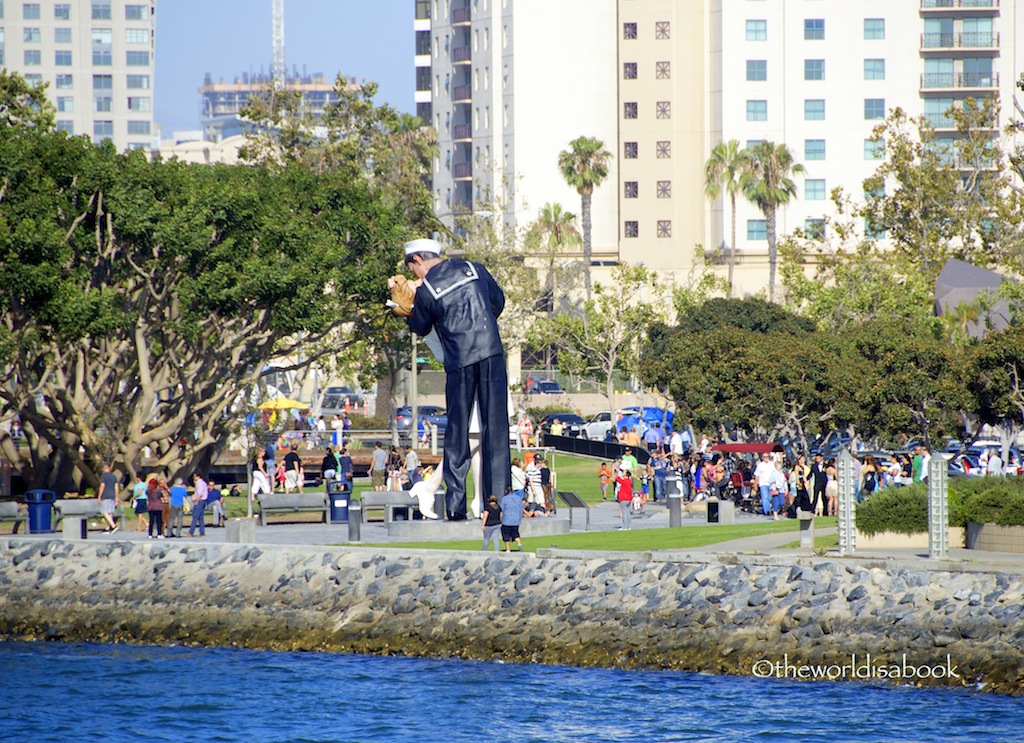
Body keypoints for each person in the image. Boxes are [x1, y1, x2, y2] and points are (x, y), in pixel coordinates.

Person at [392, 238, 510, 520]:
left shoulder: (429, 288)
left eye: (412, 268)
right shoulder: (474, 268)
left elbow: (419, 325)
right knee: (496, 429)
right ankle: (499, 503)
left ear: (418, 260)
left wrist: (407, 309)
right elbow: (498, 302)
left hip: (460, 362)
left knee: (457, 434)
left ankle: (456, 506)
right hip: (492, 352)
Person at [499, 487, 525, 552]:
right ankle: (519, 544)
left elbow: (502, 509)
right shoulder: (518, 498)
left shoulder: (504, 499)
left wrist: (500, 518)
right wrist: (520, 518)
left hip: (506, 520)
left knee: (506, 535)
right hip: (516, 520)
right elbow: (522, 509)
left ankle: (508, 549)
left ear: (506, 491)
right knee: (515, 534)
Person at [96, 463, 120, 534]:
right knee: (110, 512)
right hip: (112, 495)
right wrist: (116, 497)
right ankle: (108, 528)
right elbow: (116, 487)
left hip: (105, 495)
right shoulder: (114, 476)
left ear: (103, 469)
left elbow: (102, 486)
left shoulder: (104, 476)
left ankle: (114, 526)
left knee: (105, 512)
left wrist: (99, 496)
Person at [753, 453, 776, 517]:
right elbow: (757, 475)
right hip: (763, 483)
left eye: (767, 456)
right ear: (762, 458)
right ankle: (767, 511)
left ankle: (769, 509)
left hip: (772, 483)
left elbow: (775, 473)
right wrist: (755, 484)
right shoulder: (760, 465)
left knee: (770, 498)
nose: (766, 458)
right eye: (764, 457)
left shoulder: (772, 464)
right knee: (765, 497)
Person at [189, 473, 208, 538]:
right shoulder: (204, 483)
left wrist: (197, 501)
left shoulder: (199, 483)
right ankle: (202, 532)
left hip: (200, 501)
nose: (194, 478)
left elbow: (200, 494)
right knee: (200, 518)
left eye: (195, 476)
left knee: (195, 516)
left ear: (198, 476)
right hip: (203, 501)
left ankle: (191, 531)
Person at [615, 466, 633, 530]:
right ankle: (628, 526)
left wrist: (618, 473)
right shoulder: (629, 481)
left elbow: (617, 479)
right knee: (627, 512)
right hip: (628, 499)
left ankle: (624, 526)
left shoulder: (625, 481)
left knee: (624, 513)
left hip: (623, 499)